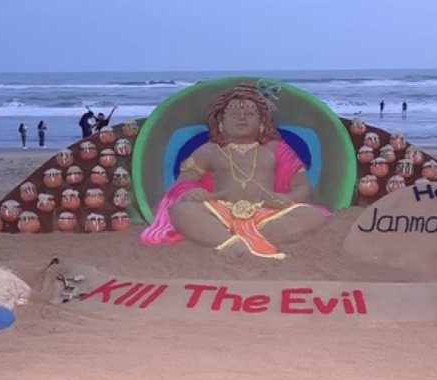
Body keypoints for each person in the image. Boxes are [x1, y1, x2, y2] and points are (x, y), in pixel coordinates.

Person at [141, 83, 329, 260]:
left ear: (262, 122)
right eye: (234, 113)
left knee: (313, 216)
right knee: (182, 211)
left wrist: (289, 198)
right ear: (220, 122)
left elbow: (302, 185)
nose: (242, 117)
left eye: (250, 114)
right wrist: (192, 193)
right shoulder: (209, 150)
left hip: (267, 212)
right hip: (220, 211)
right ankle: (230, 242)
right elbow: (181, 185)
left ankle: (247, 241)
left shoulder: (276, 149)